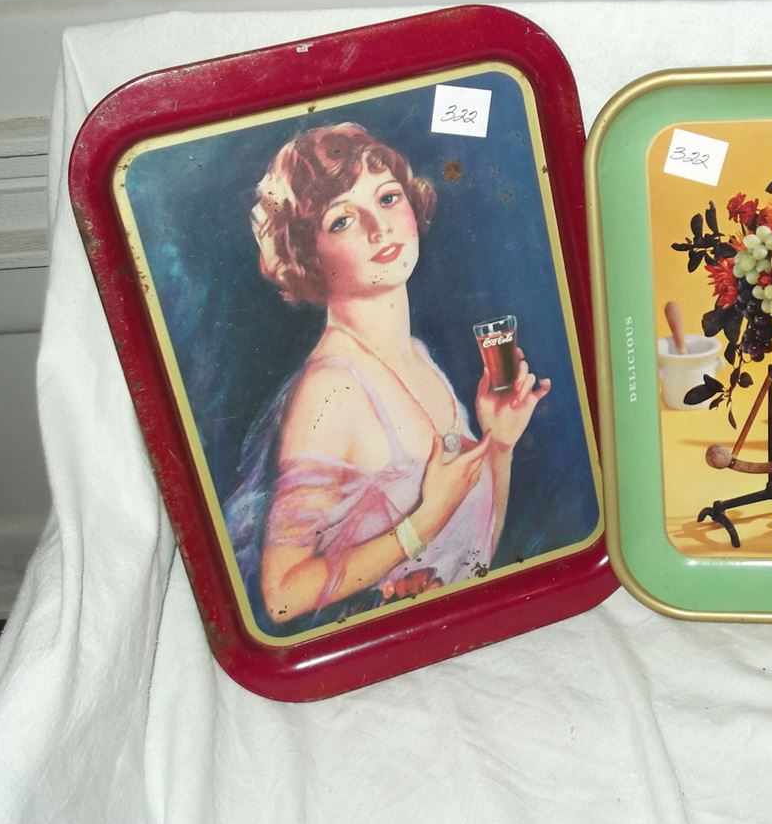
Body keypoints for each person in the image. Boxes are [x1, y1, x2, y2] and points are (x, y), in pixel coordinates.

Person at [223, 122, 550, 632]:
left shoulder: (419, 357)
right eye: (342, 220)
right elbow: (282, 597)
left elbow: (474, 559)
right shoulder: (331, 390)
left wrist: (500, 445)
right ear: (307, 254)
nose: (380, 229)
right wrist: (423, 522)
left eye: (388, 197)